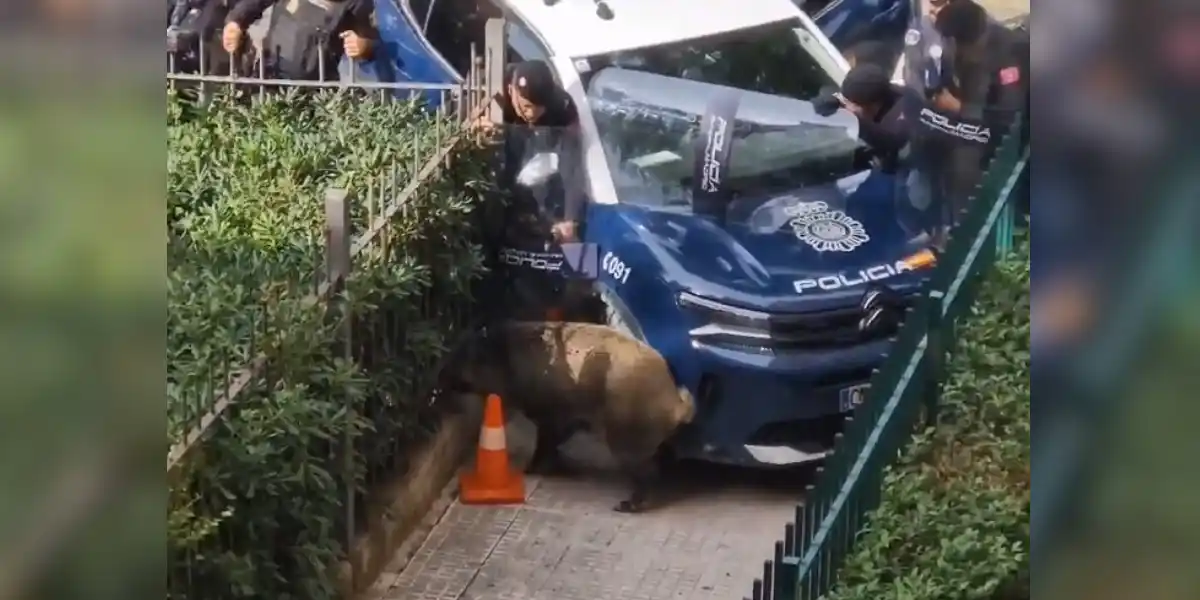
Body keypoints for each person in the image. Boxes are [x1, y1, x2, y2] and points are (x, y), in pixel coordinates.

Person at [487, 60, 583, 243]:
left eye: (539, 108)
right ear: (511, 90)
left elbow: (571, 161)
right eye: (526, 107)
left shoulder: (562, 105)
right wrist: (478, 127)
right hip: (507, 145)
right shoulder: (495, 96)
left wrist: (570, 219)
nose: (532, 114)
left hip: (540, 147)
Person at [220, 0, 376, 80]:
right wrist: (236, 22)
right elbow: (253, 3)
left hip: (316, 92)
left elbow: (374, 38)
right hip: (269, 76)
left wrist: (363, 46)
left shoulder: (359, 3)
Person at [815, 63, 911, 173]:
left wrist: (857, 120)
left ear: (874, 106)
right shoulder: (872, 93)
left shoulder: (905, 111)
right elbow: (832, 94)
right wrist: (830, 100)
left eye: (853, 104)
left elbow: (892, 141)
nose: (847, 105)